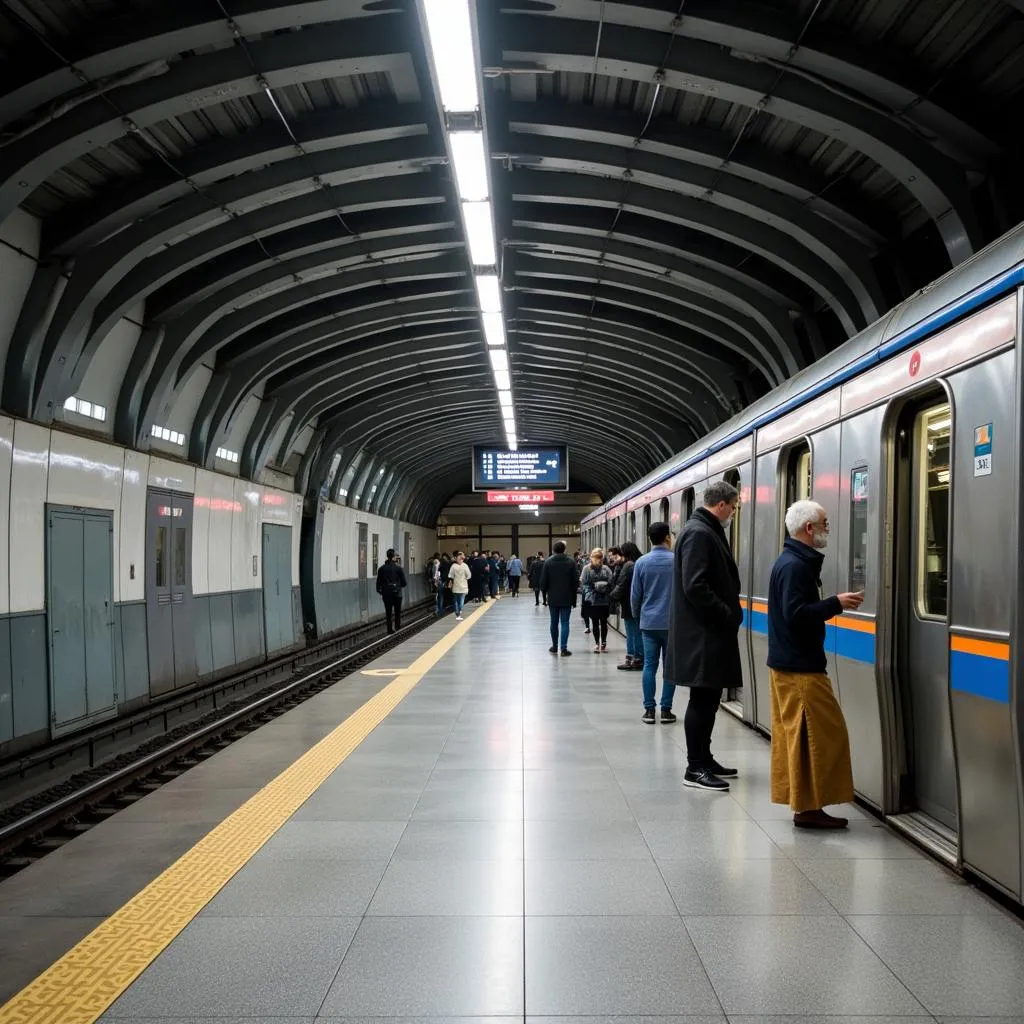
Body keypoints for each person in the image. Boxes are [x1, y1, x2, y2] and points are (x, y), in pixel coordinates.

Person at [768, 500, 863, 829]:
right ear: (809, 528)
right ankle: (807, 809)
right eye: (825, 523)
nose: (827, 529)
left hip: (792, 664)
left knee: (803, 737)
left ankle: (806, 805)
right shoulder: (795, 566)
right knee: (818, 736)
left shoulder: (791, 561)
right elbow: (796, 615)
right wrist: (835, 603)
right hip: (800, 668)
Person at [665, 481, 742, 791]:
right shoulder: (699, 532)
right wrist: (726, 613)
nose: (733, 513)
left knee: (709, 699)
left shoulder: (702, 529)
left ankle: (704, 757)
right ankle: (694, 768)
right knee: (701, 699)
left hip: (705, 632)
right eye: (733, 507)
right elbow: (695, 585)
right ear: (721, 504)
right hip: (703, 633)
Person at [630, 524, 676, 723]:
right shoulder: (677, 561)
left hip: (648, 623)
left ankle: (649, 710)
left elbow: (635, 595)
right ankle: (666, 710)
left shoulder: (641, 562)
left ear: (650, 538)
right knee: (670, 667)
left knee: (649, 666)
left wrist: (637, 616)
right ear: (667, 537)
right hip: (672, 623)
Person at [540, 541, 580, 656]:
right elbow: (575, 581)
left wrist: (546, 593)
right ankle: (563, 649)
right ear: (564, 550)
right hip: (567, 597)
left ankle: (554, 646)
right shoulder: (571, 562)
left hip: (553, 598)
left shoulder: (548, 562)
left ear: (553, 550)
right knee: (565, 622)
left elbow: (543, 582)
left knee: (554, 622)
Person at [611, 541, 643, 671]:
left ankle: (634, 659)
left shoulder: (628, 565)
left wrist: (611, 596)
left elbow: (621, 585)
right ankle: (638, 658)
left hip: (628, 603)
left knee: (632, 632)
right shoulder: (640, 562)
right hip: (639, 602)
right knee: (638, 632)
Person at [579, 548, 614, 653]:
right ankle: (600, 643)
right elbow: (584, 584)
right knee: (599, 622)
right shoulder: (602, 569)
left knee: (599, 622)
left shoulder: (592, 569)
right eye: (597, 558)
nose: (597, 560)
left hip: (598, 600)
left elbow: (584, 584)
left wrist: (592, 593)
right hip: (598, 600)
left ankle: (600, 644)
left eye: (598, 558)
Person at [375, 548, 408, 633]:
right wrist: (398, 586)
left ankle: (389, 630)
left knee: (388, 613)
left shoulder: (381, 569)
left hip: (386, 594)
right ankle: (397, 628)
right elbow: (404, 583)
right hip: (397, 594)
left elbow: (378, 583)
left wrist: (381, 591)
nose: (396, 558)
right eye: (395, 556)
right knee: (397, 612)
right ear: (393, 557)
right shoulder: (398, 569)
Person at [446, 551, 472, 620]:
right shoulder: (462, 566)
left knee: (459, 600)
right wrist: (465, 578)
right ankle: (458, 612)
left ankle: (458, 611)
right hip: (458, 586)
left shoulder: (455, 566)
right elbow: (469, 575)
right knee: (459, 600)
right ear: (456, 559)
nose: (460, 560)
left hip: (459, 586)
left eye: (461, 559)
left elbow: (450, 575)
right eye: (459, 558)